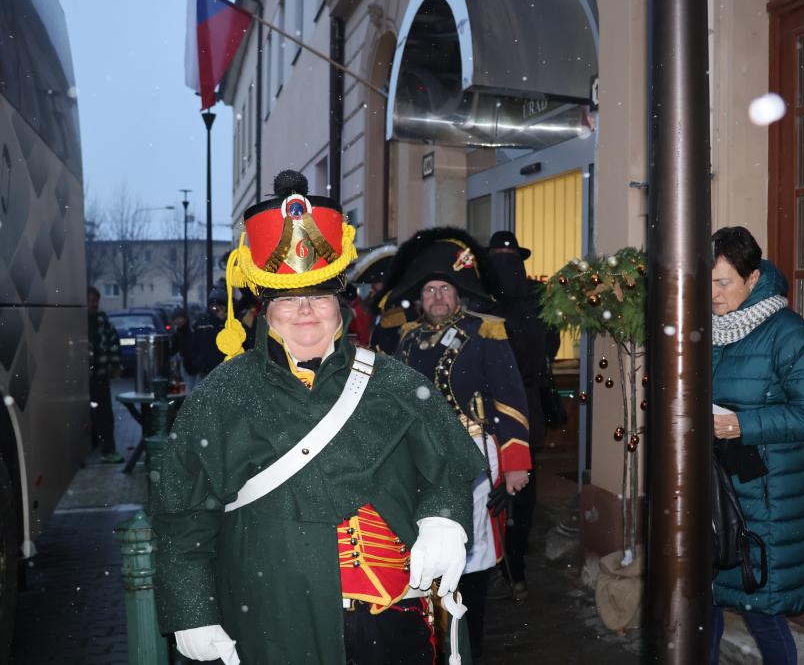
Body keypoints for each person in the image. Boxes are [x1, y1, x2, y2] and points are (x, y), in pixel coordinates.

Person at [149, 171, 486, 665]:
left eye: (320, 296)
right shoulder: (220, 397)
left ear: (339, 307)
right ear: (265, 310)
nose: (305, 311)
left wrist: (443, 518)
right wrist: (192, 610)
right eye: (288, 299)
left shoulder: (393, 382)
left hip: (396, 623)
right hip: (275, 625)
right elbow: (182, 519)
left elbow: (447, 469)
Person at [384, 227, 532, 659]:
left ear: (458, 294)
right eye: (430, 290)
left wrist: (516, 461)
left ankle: (470, 643)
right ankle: (435, 639)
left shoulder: (485, 331)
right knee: (425, 546)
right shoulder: (407, 337)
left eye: (444, 289)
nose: (437, 297)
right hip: (417, 461)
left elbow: (510, 397)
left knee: (472, 552)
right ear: (421, 296)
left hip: (474, 459)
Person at [708, 226, 804, 665]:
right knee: (703, 606)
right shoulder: (708, 329)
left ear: (753, 278)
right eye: (707, 282)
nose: (713, 294)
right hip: (715, 490)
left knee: (760, 609)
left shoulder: (786, 332)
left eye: (723, 282)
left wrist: (741, 424)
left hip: (765, 499)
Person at [484, 231, 549, 602]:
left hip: (499, 411)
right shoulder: (536, 301)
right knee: (518, 492)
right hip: (523, 409)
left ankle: (507, 564)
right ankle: (512, 566)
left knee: (505, 491)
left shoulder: (486, 302)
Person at [86, 286, 123, 464]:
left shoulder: (103, 322)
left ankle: (108, 450)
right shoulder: (77, 321)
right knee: (89, 416)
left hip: (100, 377)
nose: (94, 304)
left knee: (105, 415)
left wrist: (115, 365)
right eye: (91, 300)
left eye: (96, 301)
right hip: (82, 380)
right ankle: (93, 448)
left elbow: (114, 342)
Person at [188, 287, 227, 379]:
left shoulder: (229, 322)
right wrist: (196, 361)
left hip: (223, 368)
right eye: (213, 305)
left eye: (220, 306)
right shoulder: (202, 321)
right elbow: (194, 342)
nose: (216, 308)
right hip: (204, 369)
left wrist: (223, 321)